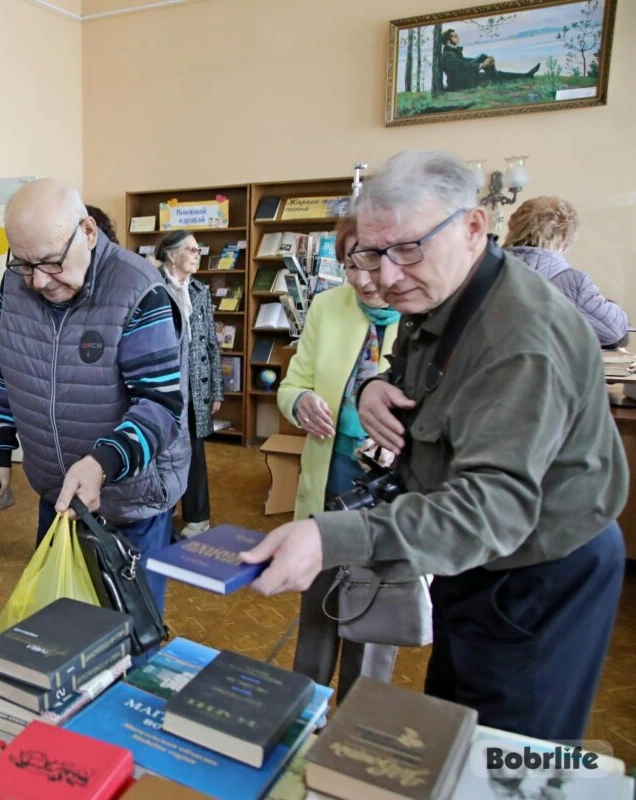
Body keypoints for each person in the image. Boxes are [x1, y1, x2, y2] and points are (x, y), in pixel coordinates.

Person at [241, 150, 626, 742]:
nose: (387, 276)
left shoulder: (522, 338)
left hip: (535, 572)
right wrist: (374, 386)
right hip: (468, 556)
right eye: (371, 253)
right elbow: (423, 383)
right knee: (453, 723)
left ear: (474, 227)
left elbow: (490, 508)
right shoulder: (444, 293)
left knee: (509, 755)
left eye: (408, 249)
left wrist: (331, 538)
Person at [0, 179, 190, 614]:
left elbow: (161, 406)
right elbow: (9, 372)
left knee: (129, 638)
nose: (37, 280)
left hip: (131, 503)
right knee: (60, 634)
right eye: (22, 262)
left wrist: (101, 464)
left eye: (51, 263)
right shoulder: (14, 285)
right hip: (56, 496)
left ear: (88, 232)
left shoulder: (139, 289)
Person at [275, 216, 401, 702]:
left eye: (373, 263)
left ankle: (357, 717)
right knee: (317, 611)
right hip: (331, 480)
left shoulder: (426, 314)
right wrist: (300, 402)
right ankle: (302, 711)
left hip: (390, 495)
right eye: (352, 265)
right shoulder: (328, 307)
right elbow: (293, 384)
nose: (363, 280)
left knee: (372, 621)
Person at [155, 230, 221, 536]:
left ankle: (197, 516)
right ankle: (162, 512)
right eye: (191, 249)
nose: (198, 254)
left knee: (194, 449)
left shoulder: (200, 291)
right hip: (164, 385)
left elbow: (211, 344)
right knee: (163, 449)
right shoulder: (151, 286)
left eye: (198, 250)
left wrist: (215, 390)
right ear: (171, 254)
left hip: (196, 386)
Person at [504, 195, 628, 348]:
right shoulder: (574, 284)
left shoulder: (481, 271)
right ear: (563, 237)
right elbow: (615, 332)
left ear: (512, 227)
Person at [440, 29, 538, 91]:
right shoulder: (447, 55)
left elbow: (464, 61)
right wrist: (482, 65)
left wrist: (484, 63)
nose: (458, 37)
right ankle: (498, 83)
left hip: (465, 78)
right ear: (448, 40)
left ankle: (526, 75)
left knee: (496, 72)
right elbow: (462, 66)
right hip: (461, 84)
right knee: (483, 57)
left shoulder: (451, 52)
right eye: (455, 36)